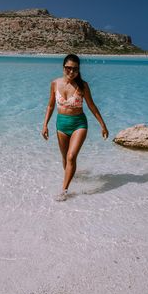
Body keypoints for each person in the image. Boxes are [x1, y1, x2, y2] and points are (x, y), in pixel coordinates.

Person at [42, 54, 109, 201]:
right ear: (63, 67)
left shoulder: (83, 86)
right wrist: (45, 124)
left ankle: (64, 191)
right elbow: (50, 105)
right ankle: (72, 175)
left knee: (71, 156)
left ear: (79, 70)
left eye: (75, 69)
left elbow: (92, 106)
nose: (71, 72)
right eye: (68, 68)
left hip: (79, 123)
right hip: (61, 124)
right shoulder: (55, 83)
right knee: (65, 159)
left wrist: (102, 125)